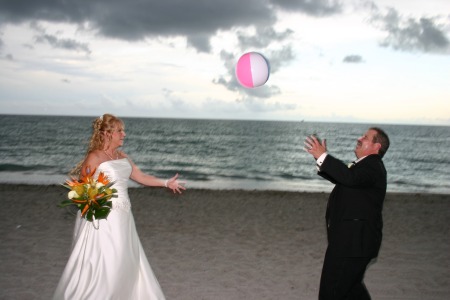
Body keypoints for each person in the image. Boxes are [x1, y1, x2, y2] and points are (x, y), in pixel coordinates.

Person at [53, 114, 185, 300]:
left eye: (123, 130)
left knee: (124, 255)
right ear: (107, 134)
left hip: (124, 215)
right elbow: (83, 188)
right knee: (108, 257)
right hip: (104, 216)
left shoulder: (122, 156)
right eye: (119, 131)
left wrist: (166, 183)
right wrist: (94, 202)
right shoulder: (95, 157)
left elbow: (140, 177)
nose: (124, 134)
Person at [304, 127, 390, 300]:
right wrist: (320, 158)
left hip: (351, 243)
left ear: (376, 147)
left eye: (366, 137)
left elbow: (349, 178)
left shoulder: (372, 166)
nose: (360, 138)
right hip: (354, 242)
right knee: (351, 289)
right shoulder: (366, 166)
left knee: (332, 291)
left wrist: (324, 156)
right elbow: (344, 177)